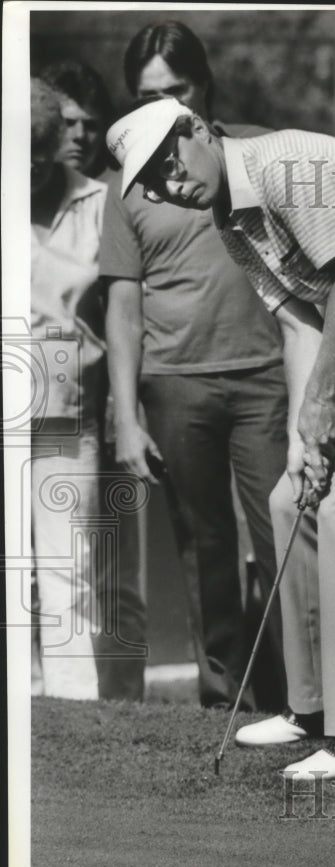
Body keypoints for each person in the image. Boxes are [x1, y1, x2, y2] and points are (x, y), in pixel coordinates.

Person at [105, 96, 335, 779]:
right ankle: (311, 707)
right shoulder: (227, 217)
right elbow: (298, 323)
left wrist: (321, 400)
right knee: (292, 498)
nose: (170, 183)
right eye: (153, 181)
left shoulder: (283, 167)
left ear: (196, 128)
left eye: (170, 160)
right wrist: (300, 433)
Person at [99, 21, 289, 710]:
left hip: (268, 376)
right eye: (148, 96)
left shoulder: (259, 151)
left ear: (203, 84)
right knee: (205, 545)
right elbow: (123, 306)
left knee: (286, 537)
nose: (166, 108)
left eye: (177, 91)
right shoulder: (125, 184)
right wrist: (125, 415)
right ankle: (224, 695)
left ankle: (302, 695)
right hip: (176, 385)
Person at [39, 58, 147, 702]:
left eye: (90, 124)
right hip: (41, 410)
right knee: (58, 568)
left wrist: (126, 412)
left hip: (100, 412)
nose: (78, 134)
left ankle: (126, 708)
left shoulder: (109, 205)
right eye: (66, 122)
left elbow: (126, 319)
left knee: (110, 574)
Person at [30, 77, 108, 699]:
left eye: (39, 153)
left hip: (64, 406)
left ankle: (70, 708)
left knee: (68, 564)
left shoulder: (98, 204)